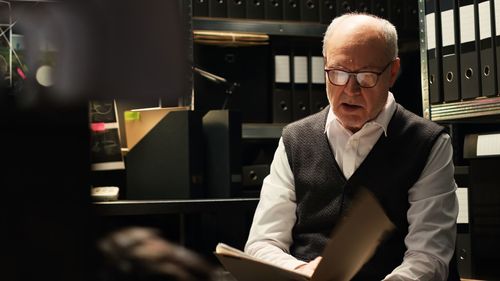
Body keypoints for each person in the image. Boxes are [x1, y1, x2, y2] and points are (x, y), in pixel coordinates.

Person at [245, 13, 459, 281]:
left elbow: (429, 257)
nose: (350, 90)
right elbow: (261, 244)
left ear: (392, 72)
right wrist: (301, 270)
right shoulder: (295, 139)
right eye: (338, 73)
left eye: (366, 76)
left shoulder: (428, 143)